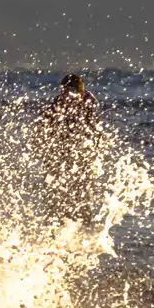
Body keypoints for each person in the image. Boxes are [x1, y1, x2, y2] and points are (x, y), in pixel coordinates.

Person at [33, 73, 102, 222]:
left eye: (72, 95)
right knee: (55, 198)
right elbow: (41, 130)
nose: (68, 99)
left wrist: (94, 152)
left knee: (82, 198)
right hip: (58, 152)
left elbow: (95, 131)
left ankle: (85, 235)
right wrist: (42, 148)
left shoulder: (90, 103)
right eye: (64, 93)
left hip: (82, 153)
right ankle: (53, 232)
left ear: (81, 93)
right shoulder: (55, 105)